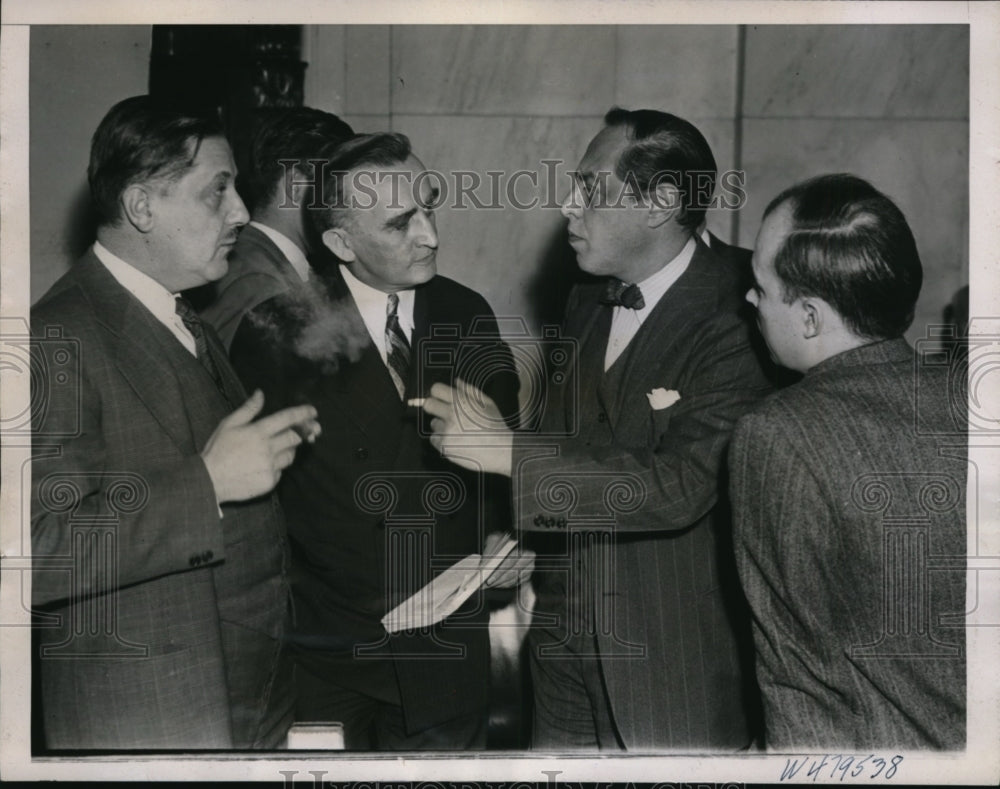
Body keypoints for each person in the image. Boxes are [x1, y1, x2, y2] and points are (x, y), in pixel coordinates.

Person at [422, 108, 771, 750]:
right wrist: (524, 539)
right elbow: (574, 441)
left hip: (673, 660)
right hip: (561, 644)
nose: (568, 207)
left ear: (661, 203)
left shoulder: (747, 304)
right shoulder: (586, 295)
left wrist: (509, 453)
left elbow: (681, 484)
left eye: (589, 188)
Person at [224, 132, 532, 750]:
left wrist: (511, 535)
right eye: (400, 223)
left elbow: (501, 457)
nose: (430, 236)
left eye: (430, 207)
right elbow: (263, 504)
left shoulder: (467, 313)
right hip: (328, 649)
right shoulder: (276, 331)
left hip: (445, 644)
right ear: (342, 244)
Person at [30, 95, 320, 750]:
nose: (241, 212)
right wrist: (208, 484)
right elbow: (37, 550)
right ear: (142, 207)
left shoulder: (184, 312)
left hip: (243, 702)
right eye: (218, 190)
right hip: (154, 714)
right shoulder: (56, 336)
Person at [730, 173, 966, 750]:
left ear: (810, 318)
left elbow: (798, 679)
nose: (749, 300)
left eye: (761, 287)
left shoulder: (779, 434)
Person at [200, 106, 354, 349]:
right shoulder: (259, 284)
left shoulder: (260, 266)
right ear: (296, 186)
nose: (349, 206)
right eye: (338, 190)